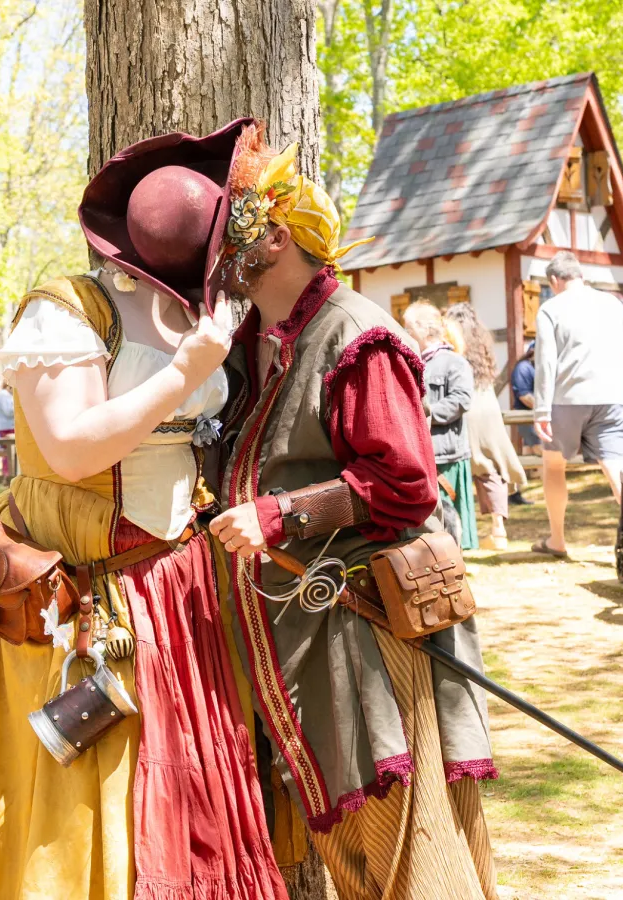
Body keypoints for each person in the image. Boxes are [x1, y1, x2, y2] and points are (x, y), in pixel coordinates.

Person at [0, 121, 286, 900]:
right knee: (85, 794)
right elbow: (74, 449)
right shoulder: (67, 310)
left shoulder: (199, 311)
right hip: (81, 597)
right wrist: (186, 373)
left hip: (177, 586)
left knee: (186, 788)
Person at [208, 123, 498, 900]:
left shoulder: (353, 336)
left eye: (233, 231)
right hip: (311, 627)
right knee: (348, 849)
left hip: (370, 629)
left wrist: (280, 514)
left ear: (272, 238)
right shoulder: (253, 339)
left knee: (409, 842)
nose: (220, 256)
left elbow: (406, 484)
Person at [532, 250, 623, 557]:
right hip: (612, 399)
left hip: (566, 400)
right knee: (617, 471)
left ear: (554, 280)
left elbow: (546, 363)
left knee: (553, 467)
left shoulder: (550, 309)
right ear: (580, 274)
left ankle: (557, 540)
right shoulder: (614, 305)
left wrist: (541, 410)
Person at [445, 303, 527, 550]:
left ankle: (457, 531)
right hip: (487, 404)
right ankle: (498, 529)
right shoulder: (482, 339)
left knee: (458, 467)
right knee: (491, 466)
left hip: (467, 407)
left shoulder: (451, 336)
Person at [403, 300, 479, 550]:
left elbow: (461, 400)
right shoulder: (412, 362)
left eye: (408, 327)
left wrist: (424, 414)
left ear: (424, 329)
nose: (404, 333)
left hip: (445, 453)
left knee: (446, 513)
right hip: (420, 453)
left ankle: (452, 562)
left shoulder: (454, 363)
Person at [509, 341, 538, 504]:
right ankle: (514, 492)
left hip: (534, 418)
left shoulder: (533, 367)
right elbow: (524, 395)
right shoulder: (523, 368)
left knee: (531, 455)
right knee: (537, 452)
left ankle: (516, 492)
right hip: (526, 418)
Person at [0, 381, 15, 478]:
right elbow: (8, 411)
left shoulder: (9, 395)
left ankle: (11, 473)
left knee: (12, 453)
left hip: (12, 426)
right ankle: (6, 474)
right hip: (6, 427)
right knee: (6, 453)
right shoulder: (3, 395)